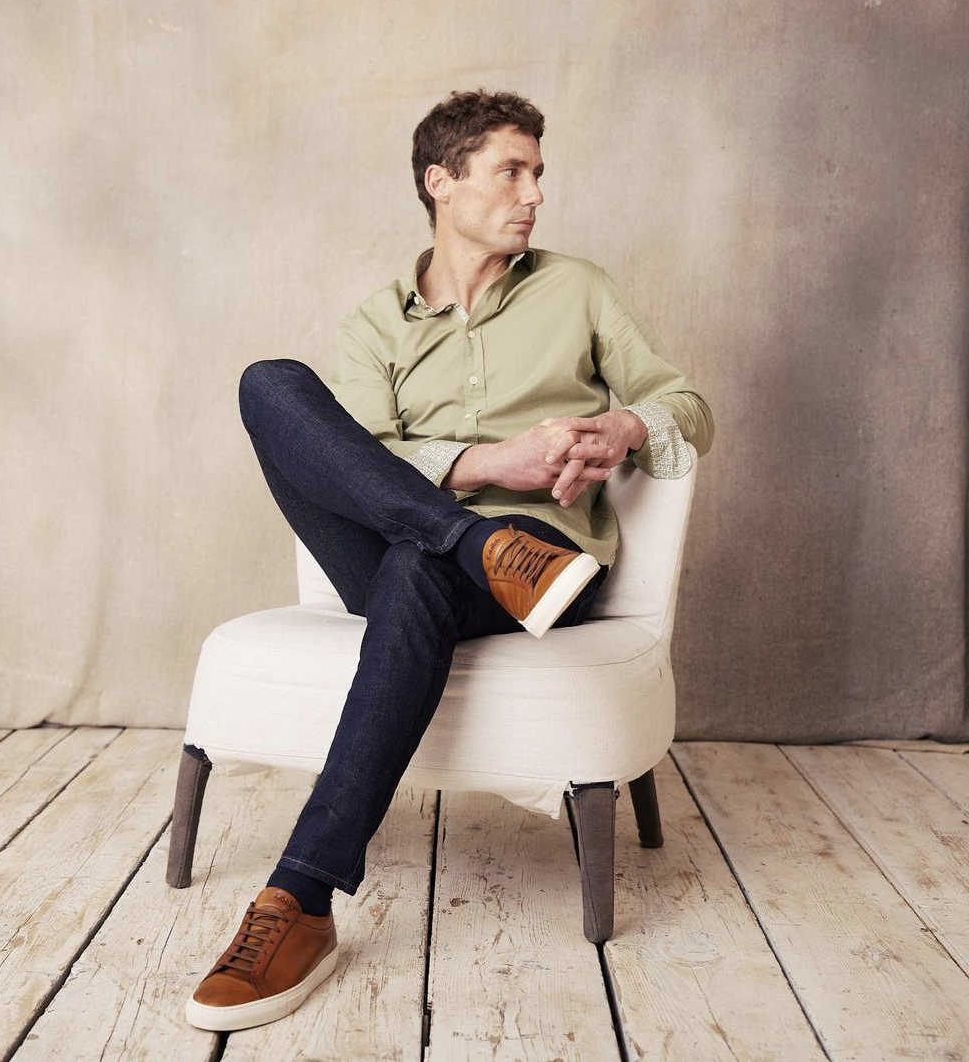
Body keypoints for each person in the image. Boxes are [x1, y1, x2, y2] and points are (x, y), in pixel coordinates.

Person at [185, 89, 713, 1033]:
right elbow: (356, 465)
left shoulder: (579, 289)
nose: (535, 194)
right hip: (424, 541)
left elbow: (689, 406)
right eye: (511, 171)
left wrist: (627, 425)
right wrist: (489, 468)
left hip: (548, 565)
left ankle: (299, 897)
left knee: (415, 567)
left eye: (538, 173)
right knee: (270, 385)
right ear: (441, 181)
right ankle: (475, 541)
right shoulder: (374, 325)